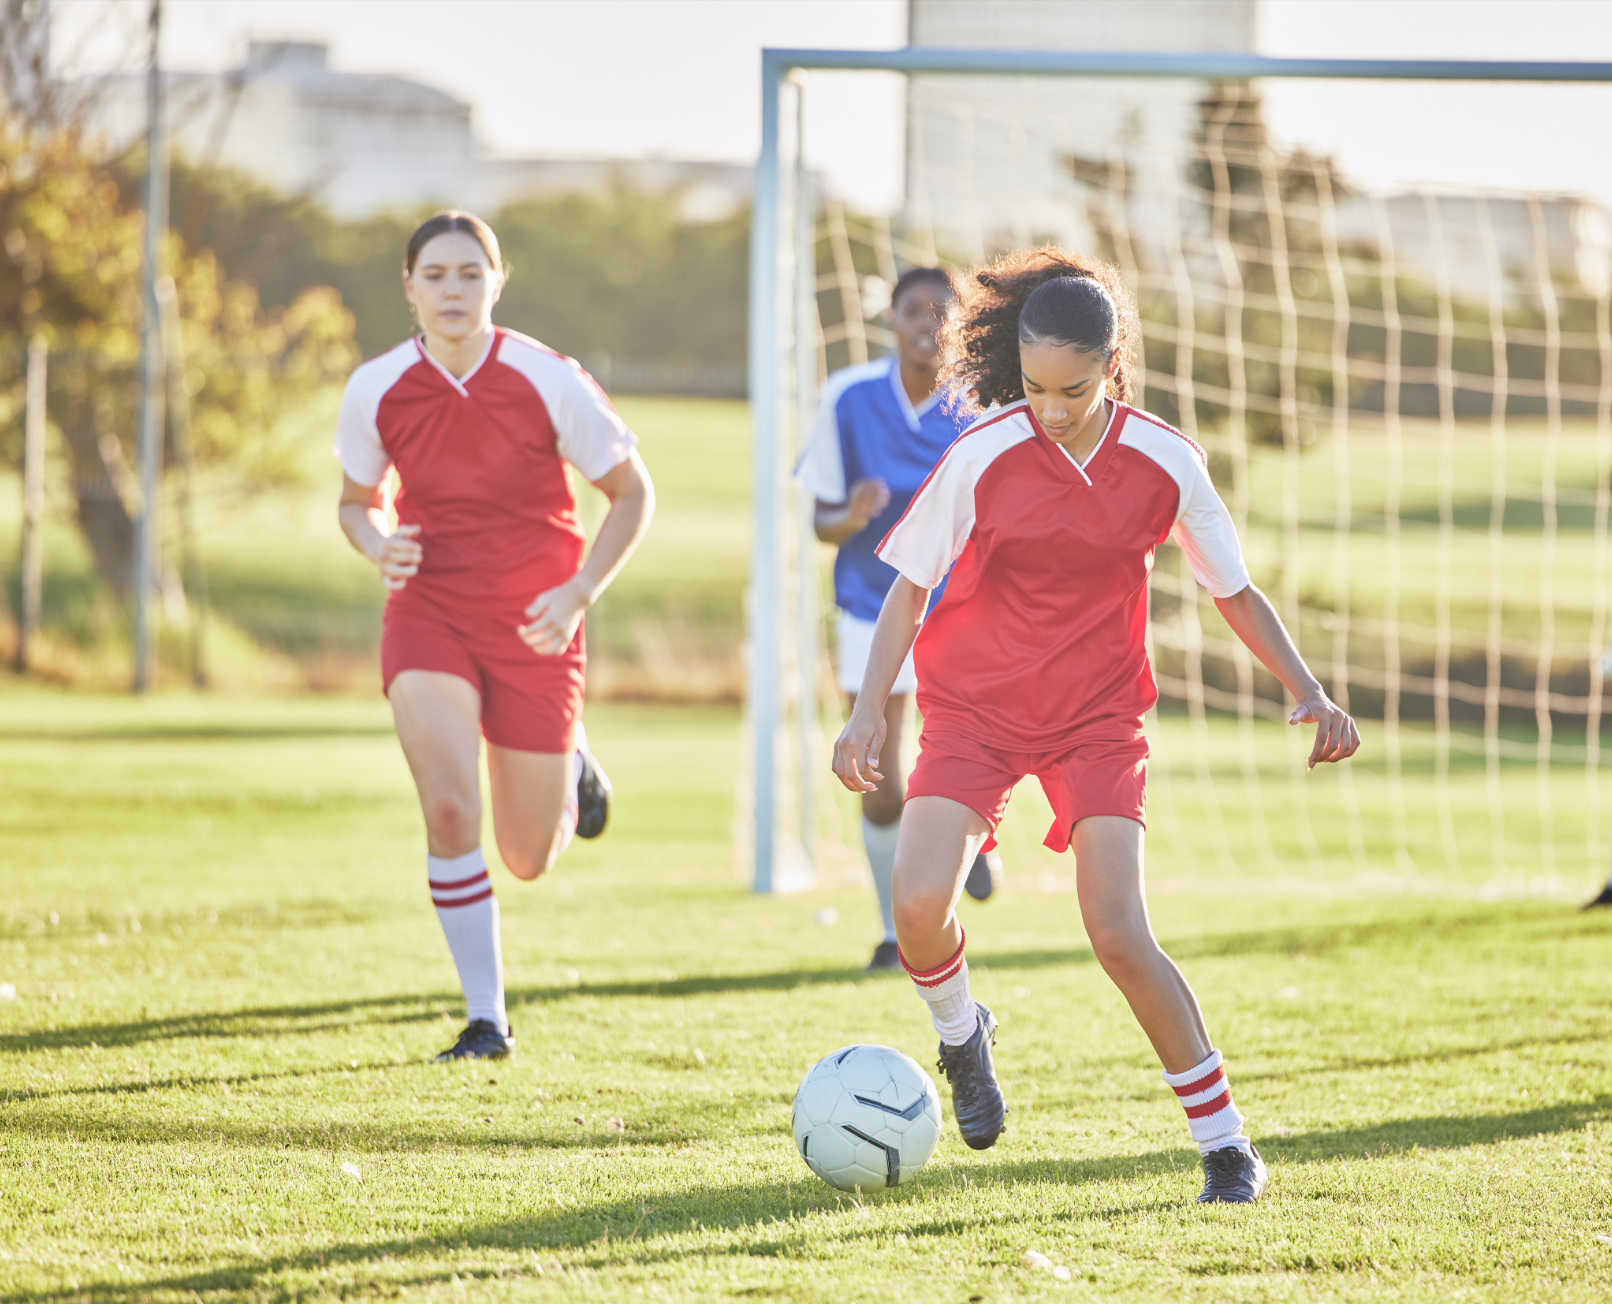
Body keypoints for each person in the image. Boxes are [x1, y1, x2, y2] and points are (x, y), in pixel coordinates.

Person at [831, 249, 1360, 1203]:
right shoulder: (983, 455)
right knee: (916, 907)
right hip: (975, 711)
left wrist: (1310, 690)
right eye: (1034, 388)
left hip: (1097, 721)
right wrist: (869, 712)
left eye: (1072, 389)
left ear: (1112, 368)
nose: (1052, 407)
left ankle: (1227, 1145)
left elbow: (1232, 591)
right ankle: (963, 1036)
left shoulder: (1165, 461)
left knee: (1117, 929)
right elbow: (907, 588)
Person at [335, 211, 654, 1062]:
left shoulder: (549, 378)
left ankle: (571, 759)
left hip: (537, 624)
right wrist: (377, 543)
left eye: (470, 274)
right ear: (408, 287)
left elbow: (633, 494)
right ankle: (487, 1019)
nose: (452, 290)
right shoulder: (375, 387)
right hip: (429, 610)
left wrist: (581, 590)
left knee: (527, 856)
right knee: (448, 805)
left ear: (497, 282)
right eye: (434, 274)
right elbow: (354, 503)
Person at [800, 267, 1002, 972]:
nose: (927, 324)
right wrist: (848, 514)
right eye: (914, 311)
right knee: (881, 783)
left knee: (968, 756)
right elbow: (821, 520)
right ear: (890, 319)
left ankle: (928, 897)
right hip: (868, 605)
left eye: (941, 314)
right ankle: (897, 919)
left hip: (965, 609)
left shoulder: (983, 405)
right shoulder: (847, 397)